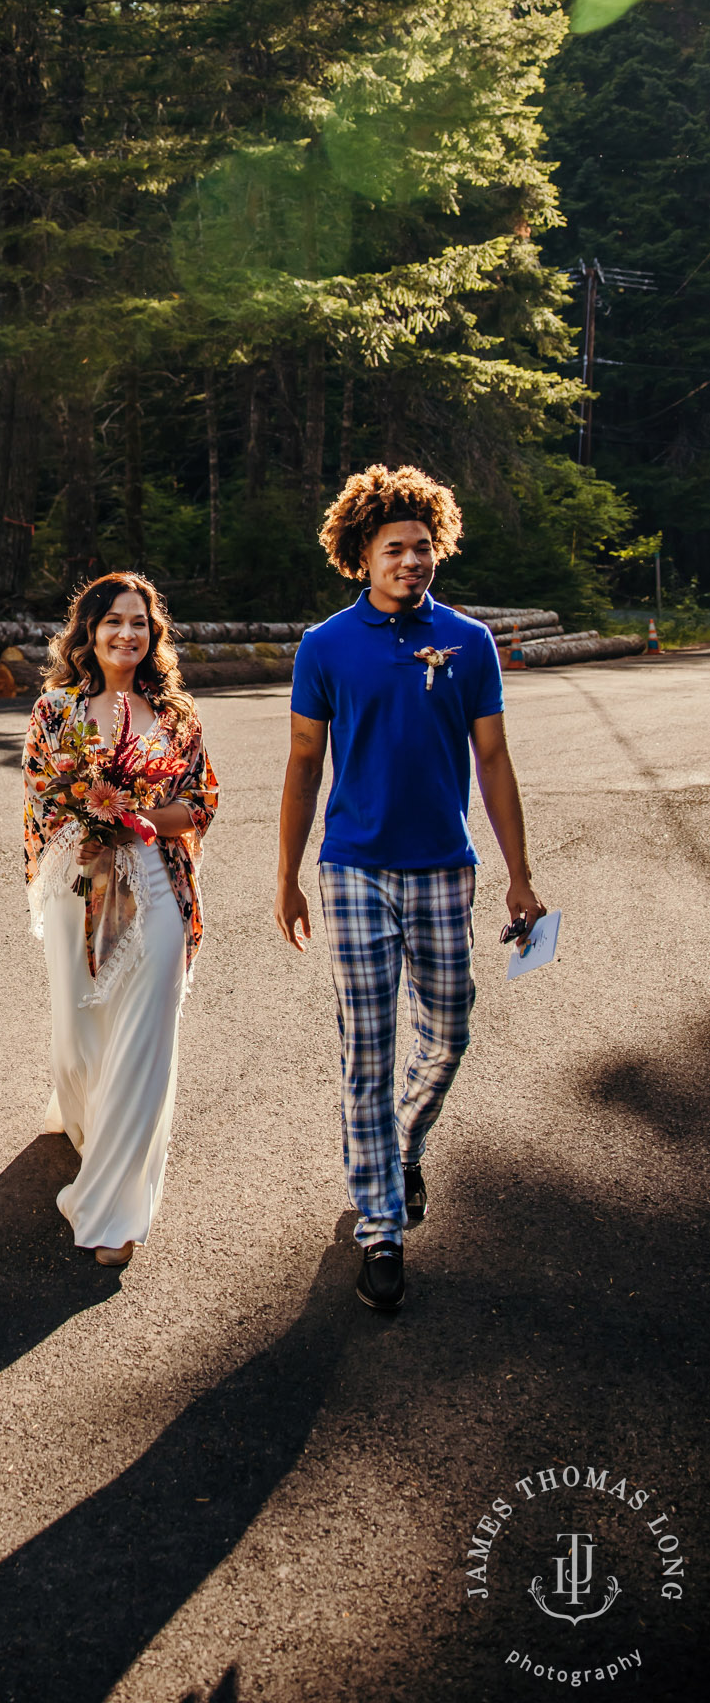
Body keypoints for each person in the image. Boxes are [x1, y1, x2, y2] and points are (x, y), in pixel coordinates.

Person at [276, 463, 547, 1313]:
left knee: (450, 1032)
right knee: (367, 1049)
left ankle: (399, 1149)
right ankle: (380, 1228)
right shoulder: (323, 646)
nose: (411, 561)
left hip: (443, 866)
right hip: (352, 866)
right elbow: (301, 761)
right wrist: (285, 874)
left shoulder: (467, 642)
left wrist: (520, 876)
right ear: (361, 556)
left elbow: (494, 759)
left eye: (423, 547)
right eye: (394, 548)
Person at [22, 573, 219, 1268]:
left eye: (139, 623)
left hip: (156, 887)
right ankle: (83, 1122)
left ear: (152, 635)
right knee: (77, 1040)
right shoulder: (54, 711)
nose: (126, 635)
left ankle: (111, 1208)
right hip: (76, 886)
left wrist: (135, 819)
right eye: (113, 622)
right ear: (89, 631)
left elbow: (200, 804)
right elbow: (40, 802)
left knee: (142, 1047)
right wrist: (85, 818)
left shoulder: (175, 717)